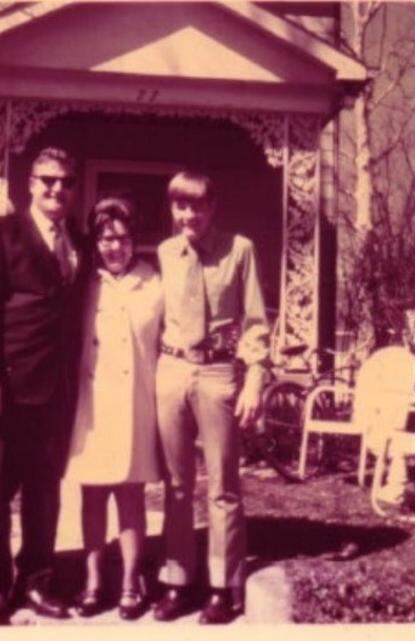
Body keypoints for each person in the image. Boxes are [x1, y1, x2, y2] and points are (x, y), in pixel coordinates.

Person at [0, 147, 90, 625]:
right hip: (5, 388)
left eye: (67, 182)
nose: (58, 189)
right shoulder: (1, 232)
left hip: (55, 391)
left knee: (45, 490)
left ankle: (37, 578)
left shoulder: (79, 240)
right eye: (48, 181)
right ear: (31, 184)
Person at [151, 170, 269, 625]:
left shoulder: (239, 250)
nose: (189, 214)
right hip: (172, 370)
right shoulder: (165, 253)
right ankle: (177, 580)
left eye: (197, 205)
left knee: (223, 484)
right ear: (173, 209)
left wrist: (255, 376)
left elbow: (256, 321)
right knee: (176, 485)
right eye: (181, 206)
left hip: (217, 371)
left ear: (212, 207)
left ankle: (223, 585)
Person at [65, 196, 163, 620]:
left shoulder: (153, 284)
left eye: (122, 238)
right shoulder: (83, 283)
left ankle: (130, 581)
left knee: (130, 495)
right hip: (91, 405)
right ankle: (92, 581)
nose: (114, 247)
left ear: (134, 241)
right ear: (96, 242)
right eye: (106, 238)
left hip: (135, 404)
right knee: (91, 494)